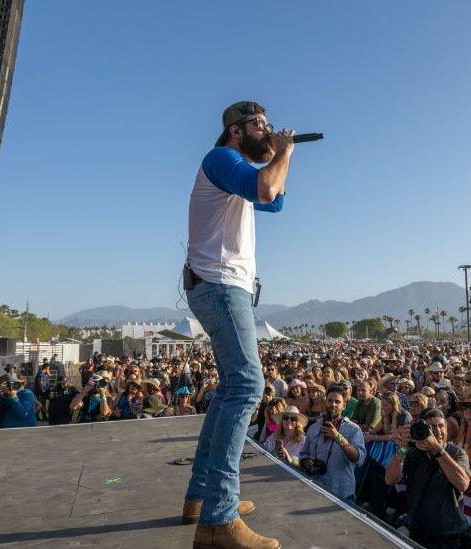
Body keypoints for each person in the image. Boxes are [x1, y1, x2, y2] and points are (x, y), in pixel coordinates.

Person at [183, 100, 293, 549]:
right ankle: (218, 520)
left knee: (231, 388)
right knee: (248, 387)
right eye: (260, 125)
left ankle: (203, 497)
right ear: (235, 130)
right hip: (222, 286)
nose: (267, 130)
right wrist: (282, 151)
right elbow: (267, 190)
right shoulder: (222, 159)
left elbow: (276, 202)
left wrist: (276, 156)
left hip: (221, 287)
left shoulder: (235, 167)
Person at [385, 408, 471, 548]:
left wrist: (438, 450)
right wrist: (402, 449)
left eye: (441, 426)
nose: (437, 431)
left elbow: (464, 484)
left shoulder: (457, 453)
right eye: (430, 427)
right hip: (417, 531)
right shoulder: (414, 453)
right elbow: (390, 479)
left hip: (448, 534)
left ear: (447, 430)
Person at [298, 385, 366, 500]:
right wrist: (306, 462)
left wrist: (338, 438)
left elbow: (359, 459)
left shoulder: (354, 430)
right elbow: (303, 454)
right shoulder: (313, 428)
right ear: (325, 403)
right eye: (330, 401)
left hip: (341, 493)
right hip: (315, 488)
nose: (333, 405)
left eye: (337, 402)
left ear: (344, 406)